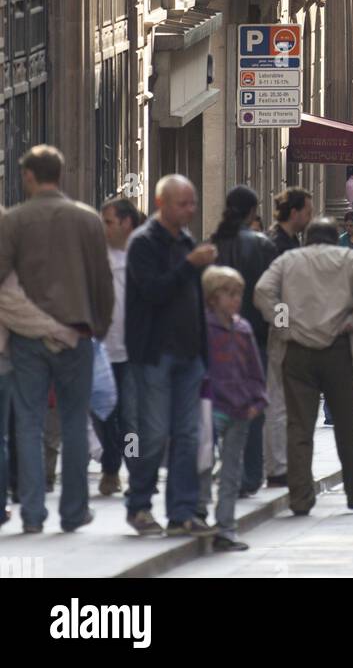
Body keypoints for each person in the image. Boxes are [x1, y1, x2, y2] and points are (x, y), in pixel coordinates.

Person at [0, 145, 114, 535]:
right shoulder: (86, 220)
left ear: (30, 176)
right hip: (77, 332)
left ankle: (33, 514)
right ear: (60, 175)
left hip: (28, 337)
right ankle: (74, 511)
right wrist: (99, 326)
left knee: (29, 423)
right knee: (72, 421)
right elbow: (102, 281)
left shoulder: (14, 220)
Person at [255, 217, 353, 515]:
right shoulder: (347, 258)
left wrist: (283, 322)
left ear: (307, 238)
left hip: (297, 350)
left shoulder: (289, 260)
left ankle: (300, 496)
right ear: (333, 237)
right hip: (336, 349)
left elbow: (263, 291)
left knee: (299, 426)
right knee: (346, 424)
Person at [124, 174, 216, 536]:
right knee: (154, 434)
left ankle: (182, 512)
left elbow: (195, 303)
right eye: (184, 203)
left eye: (193, 202)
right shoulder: (144, 243)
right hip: (155, 353)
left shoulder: (188, 241)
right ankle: (139, 505)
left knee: (188, 435)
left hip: (189, 354)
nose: (191, 210)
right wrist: (190, 265)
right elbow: (152, 292)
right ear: (162, 203)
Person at [210, 186, 277, 499]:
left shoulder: (212, 246)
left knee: (216, 404)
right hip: (256, 338)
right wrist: (281, 330)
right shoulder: (262, 245)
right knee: (252, 405)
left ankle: (223, 466)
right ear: (252, 212)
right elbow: (276, 296)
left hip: (215, 338)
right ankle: (249, 474)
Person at [200, 266, 268, 551]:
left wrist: (258, 400)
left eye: (238, 294)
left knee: (231, 470)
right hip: (210, 406)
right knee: (202, 464)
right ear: (212, 298)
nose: (235, 300)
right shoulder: (202, 327)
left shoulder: (243, 328)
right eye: (228, 294)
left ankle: (226, 527)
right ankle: (199, 515)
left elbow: (254, 367)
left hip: (240, 408)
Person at [94, 196, 145, 497]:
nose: (104, 228)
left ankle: (134, 471)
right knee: (102, 417)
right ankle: (110, 467)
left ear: (126, 223)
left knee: (130, 420)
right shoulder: (96, 256)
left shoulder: (142, 254)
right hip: (100, 350)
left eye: (108, 222)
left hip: (132, 353)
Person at [263, 188, 313, 489]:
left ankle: (277, 462)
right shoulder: (276, 245)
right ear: (294, 213)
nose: (309, 217)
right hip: (278, 333)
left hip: (287, 328)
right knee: (277, 400)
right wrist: (282, 326)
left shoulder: (287, 241)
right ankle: (277, 466)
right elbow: (272, 291)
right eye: (307, 211)